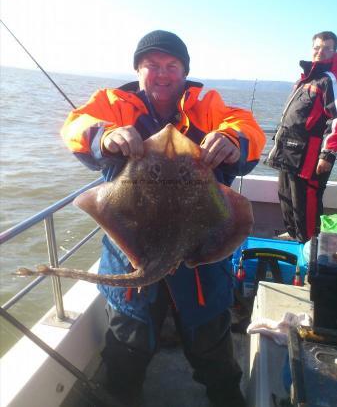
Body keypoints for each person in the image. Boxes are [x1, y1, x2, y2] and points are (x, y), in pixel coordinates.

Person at [61, 30, 266, 407]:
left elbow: (247, 127)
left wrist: (233, 140)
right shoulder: (114, 104)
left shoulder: (207, 105)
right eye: (151, 65)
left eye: (171, 65)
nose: (162, 73)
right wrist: (103, 137)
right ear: (138, 70)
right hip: (132, 256)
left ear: (184, 71)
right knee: (127, 349)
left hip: (200, 261)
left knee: (213, 352)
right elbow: (75, 125)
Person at [265, 31, 337, 243]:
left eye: (326, 48)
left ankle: (310, 244)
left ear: (334, 52)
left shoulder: (330, 79)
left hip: (310, 156)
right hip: (288, 151)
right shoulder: (306, 79)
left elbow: (335, 119)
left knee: (305, 202)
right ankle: (295, 233)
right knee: (286, 196)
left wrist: (328, 153)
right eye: (316, 48)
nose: (320, 52)